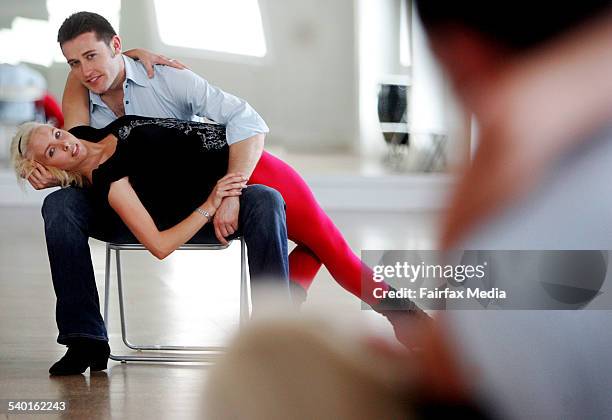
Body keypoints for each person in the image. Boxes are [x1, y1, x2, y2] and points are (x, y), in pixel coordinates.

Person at [200, 1, 612, 419]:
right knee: (324, 249)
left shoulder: (513, 219)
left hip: (273, 180)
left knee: (334, 255)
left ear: (458, 51)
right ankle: (365, 310)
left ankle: (403, 315)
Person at [11, 114, 428, 374]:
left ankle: (295, 314)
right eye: (53, 150)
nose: (64, 141)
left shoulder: (84, 130)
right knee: (332, 249)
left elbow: (77, 78)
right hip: (248, 180)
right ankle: (408, 320)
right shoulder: (105, 177)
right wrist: (213, 202)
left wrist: (140, 57)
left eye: (57, 132)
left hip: (248, 162)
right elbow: (155, 242)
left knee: (324, 244)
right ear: (49, 166)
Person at [25, 11, 291, 375]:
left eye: (91, 56)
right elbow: (80, 158)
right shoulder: (81, 93)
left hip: (201, 203)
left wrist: (229, 194)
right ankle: (84, 338)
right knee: (59, 205)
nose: (85, 71)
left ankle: (275, 341)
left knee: (268, 201)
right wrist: (56, 179)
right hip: (131, 210)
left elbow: (247, 120)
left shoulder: (167, 78)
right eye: (75, 63)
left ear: (116, 46)